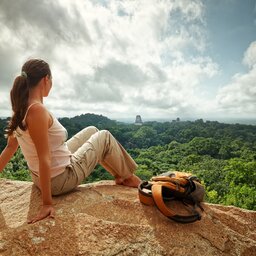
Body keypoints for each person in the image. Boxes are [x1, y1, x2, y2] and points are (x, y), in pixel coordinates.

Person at [0, 59, 141, 224]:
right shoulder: (36, 110)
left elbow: (10, 148)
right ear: (46, 79)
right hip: (60, 180)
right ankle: (128, 177)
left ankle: (119, 175)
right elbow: (44, 158)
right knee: (104, 136)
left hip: (44, 176)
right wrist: (47, 203)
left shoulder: (21, 108)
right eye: (51, 80)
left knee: (92, 131)